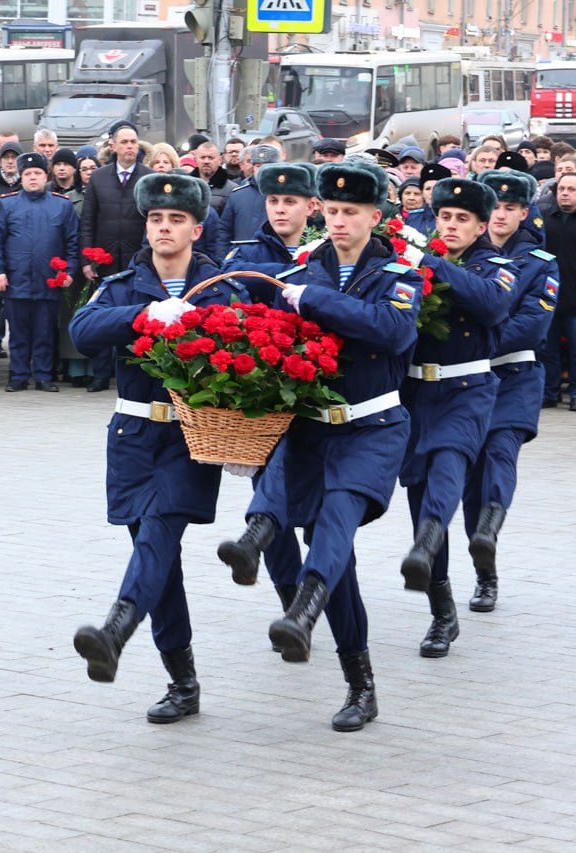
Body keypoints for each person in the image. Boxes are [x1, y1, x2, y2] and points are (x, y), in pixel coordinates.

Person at [227, 160, 422, 731]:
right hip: (313, 424)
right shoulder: (302, 267)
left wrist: (310, 301)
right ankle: (358, 682)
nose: (338, 222)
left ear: (374, 216)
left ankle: (305, 611)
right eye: (332, 211)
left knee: (336, 518)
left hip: (373, 427)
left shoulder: (399, 273)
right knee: (322, 536)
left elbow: (391, 330)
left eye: (350, 212)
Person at [69, 173, 244, 723]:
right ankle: (183, 682)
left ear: (197, 227)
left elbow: (249, 344)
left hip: (190, 438)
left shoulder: (220, 287)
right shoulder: (125, 284)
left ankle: (116, 628)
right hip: (132, 437)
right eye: (155, 219)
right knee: (158, 559)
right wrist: (144, 316)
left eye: (175, 220)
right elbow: (82, 328)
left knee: (160, 534)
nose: (164, 228)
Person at [397, 177, 517, 658]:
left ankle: (429, 542)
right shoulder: (410, 263)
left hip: (467, 388)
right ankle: (441, 612)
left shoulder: (498, 267)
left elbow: (490, 304)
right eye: (444, 217)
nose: (450, 225)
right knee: (420, 488)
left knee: (450, 461)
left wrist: (428, 262)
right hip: (413, 392)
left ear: (481, 226)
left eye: (462, 219)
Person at [214, 162, 317, 619]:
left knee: (313, 507)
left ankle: (319, 589)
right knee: (266, 498)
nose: (279, 209)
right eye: (273, 201)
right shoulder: (244, 254)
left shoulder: (327, 252)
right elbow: (232, 307)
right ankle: (290, 600)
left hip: (319, 391)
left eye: (289, 201)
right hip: (268, 395)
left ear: (310, 207)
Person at [461, 169, 558, 613]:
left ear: (524, 212)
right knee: (468, 477)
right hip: (464, 380)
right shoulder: (459, 255)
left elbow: (532, 324)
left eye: (510, 208)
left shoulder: (540, 261)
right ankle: (486, 573)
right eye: (494, 207)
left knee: (501, 451)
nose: (500, 215)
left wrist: (477, 339)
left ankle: (491, 525)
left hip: (513, 376)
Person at [0, 151, 78, 392]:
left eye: (37, 173)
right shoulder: (7, 204)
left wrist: (68, 270)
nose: (33, 178)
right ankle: (18, 375)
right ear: (21, 177)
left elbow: (72, 242)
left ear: (45, 176)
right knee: (18, 333)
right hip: (16, 279)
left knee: (45, 332)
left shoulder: (61, 205)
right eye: (28, 174)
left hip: (49, 280)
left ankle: (44, 376)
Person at [77, 121, 154, 393]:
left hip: (138, 259)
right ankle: (100, 374)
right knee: (105, 316)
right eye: (124, 142)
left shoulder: (148, 177)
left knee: (137, 316)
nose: (130, 147)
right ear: (113, 146)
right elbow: (87, 221)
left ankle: (138, 371)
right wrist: (87, 260)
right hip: (105, 261)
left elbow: (152, 220)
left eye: (133, 142)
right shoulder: (99, 178)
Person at [538, 172, 576, 410]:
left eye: (571, 189)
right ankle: (550, 392)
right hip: (549, 294)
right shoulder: (546, 217)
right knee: (547, 348)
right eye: (561, 189)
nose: (565, 193)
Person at [219, 144, 282, 255]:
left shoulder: (285, 196)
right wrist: (223, 259)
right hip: (241, 260)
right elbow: (224, 232)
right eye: (258, 166)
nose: (262, 170)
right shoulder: (237, 195)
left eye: (267, 166)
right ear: (253, 168)